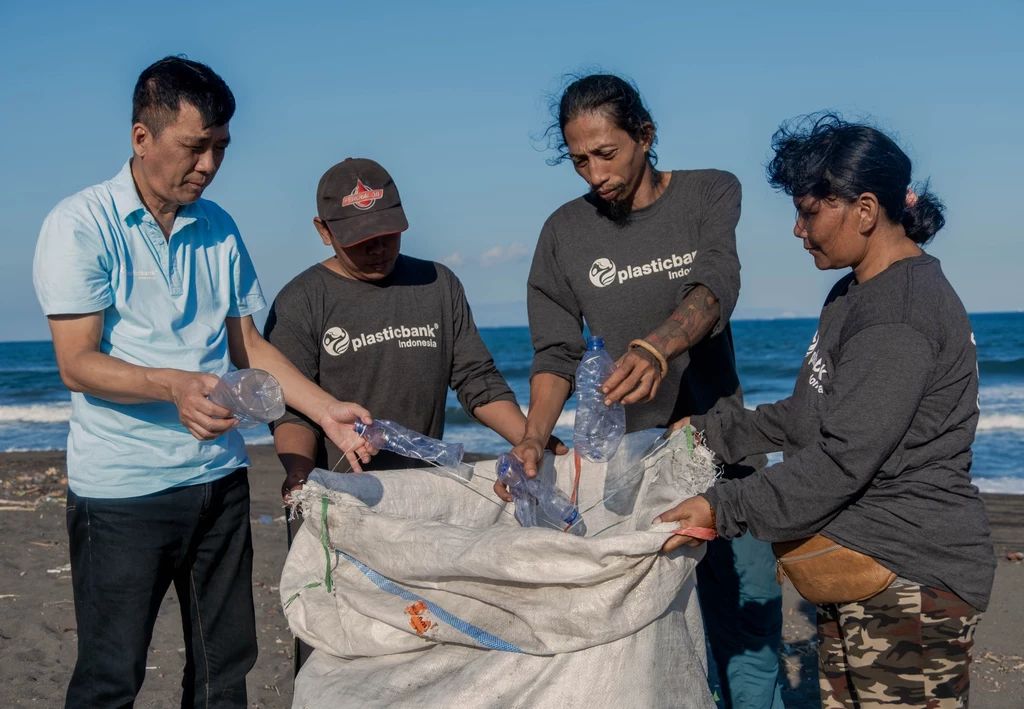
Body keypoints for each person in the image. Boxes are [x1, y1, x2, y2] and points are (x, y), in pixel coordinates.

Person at [32, 57, 374, 709]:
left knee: (225, 674)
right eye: (195, 147)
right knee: (111, 677)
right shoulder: (79, 225)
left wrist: (327, 411)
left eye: (220, 147)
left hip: (217, 483)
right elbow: (76, 361)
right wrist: (177, 386)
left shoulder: (217, 226)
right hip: (121, 491)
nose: (209, 164)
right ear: (142, 137)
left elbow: (248, 345)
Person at [658, 114, 996, 709]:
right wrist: (713, 432)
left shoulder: (901, 313)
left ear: (864, 210)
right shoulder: (854, 293)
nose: (797, 230)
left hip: (908, 576)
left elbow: (842, 458)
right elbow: (809, 415)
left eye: (810, 212)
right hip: (857, 565)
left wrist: (721, 505)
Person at [508, 73, 784, 708]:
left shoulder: (709, 192)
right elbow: (554, 354)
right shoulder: (563, 233)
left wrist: (657, 346)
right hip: (632, 470)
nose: (595, 173)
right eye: (579, 160)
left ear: (646, 136)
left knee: (748, 624)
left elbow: (717, 285)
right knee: (656, 638)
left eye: (608, 153)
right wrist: (530, 437)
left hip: (726, 451)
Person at [265, 157, 553, 496]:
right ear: (324, 230)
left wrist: (532, 440)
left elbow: (477, 379)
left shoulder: (437, 285)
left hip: (424, 493)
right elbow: (290, 410)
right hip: (336, 492)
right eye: (359, 239)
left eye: (386, 233)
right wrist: (300, 475)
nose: (377, 248)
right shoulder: (301, 300)